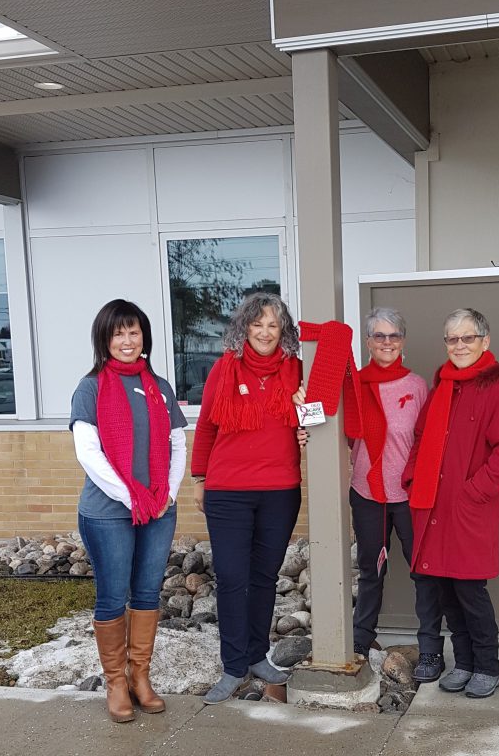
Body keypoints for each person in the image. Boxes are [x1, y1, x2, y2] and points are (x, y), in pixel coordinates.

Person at [402, 308, 499, 698]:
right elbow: (420, 437)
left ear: (484, 341)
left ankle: (488, 666)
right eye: (452, 339)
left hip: (468, 509)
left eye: (467, 338)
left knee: (471, 593)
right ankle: (465, 663)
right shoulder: (444, 387)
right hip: (432, 508)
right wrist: (411, 478)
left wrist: (474, 491)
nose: (459, 345)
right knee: (445, 591)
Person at [70, 299, 187, 723]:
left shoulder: (159, 386)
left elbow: (177, 443)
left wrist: (167, 493)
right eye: (118, 333)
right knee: (113, 597)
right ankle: (116, 681)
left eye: (133, 331)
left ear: (144, 337)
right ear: (105, 339)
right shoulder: (91, 387)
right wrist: (133, 496)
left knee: (146, 594)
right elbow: (88, 454)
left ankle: (141, 676)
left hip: (158, 509)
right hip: (107, 512)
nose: (126, 340)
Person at [191, 292, 304, 704]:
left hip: (279, 491)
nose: (265, 332)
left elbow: (314, 415)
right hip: (228, 492)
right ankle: (234, 665)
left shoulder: (296, 370)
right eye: (257, 324)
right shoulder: (224, 369)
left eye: (273, 324)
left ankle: (257, 655)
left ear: (283, 330)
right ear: (245, 327)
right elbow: (205, 428)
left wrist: (306, 431)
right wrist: (199, 478)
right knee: (233, 579)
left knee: (263, 578)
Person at [347, 307, 443, 680]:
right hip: (367, 492)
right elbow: (337, 430)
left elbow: (426, 441)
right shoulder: (354, 384)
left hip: (408, 494)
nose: (387, 342)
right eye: (379, 336)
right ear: (368, 341)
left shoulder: (417, 386)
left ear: (403, 340)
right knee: (371, 570)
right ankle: (361, 637)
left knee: (423, 571)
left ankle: (431, 648)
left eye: (394, 336)